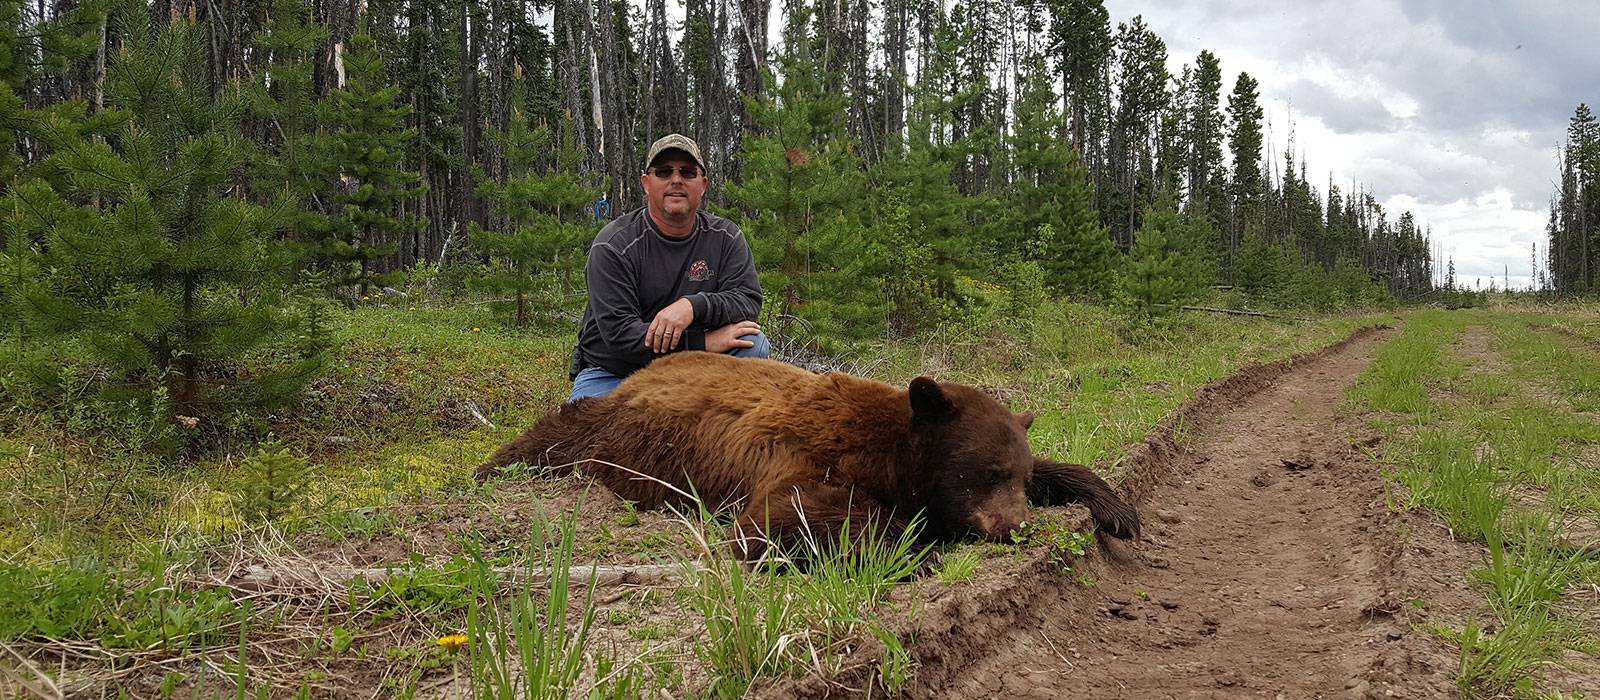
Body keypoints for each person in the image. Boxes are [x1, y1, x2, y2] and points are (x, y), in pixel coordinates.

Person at [567, 133, 768, 401]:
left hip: (695, 369)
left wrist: (691, 306)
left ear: (703, 184)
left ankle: (709, 427)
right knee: (580, 437)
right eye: (664, 172)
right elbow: (620, 336)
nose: (676, 180)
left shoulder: (725, 237)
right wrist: (703, 344)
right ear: (646, 184)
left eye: (687, 172)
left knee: (751, 343)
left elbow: (747, 300)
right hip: (616, 372)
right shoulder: (613, 245)